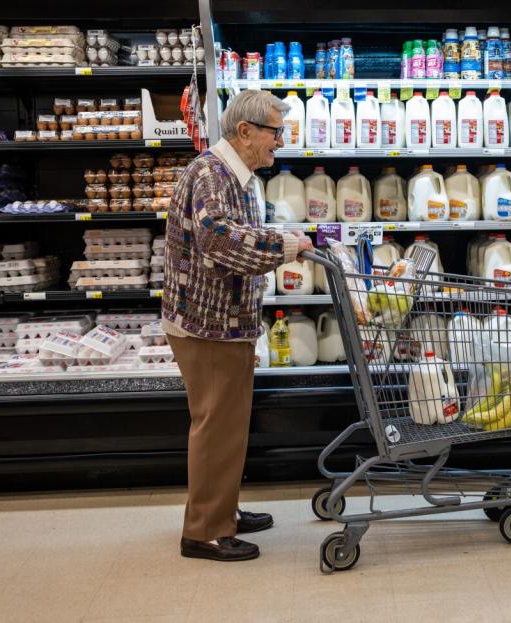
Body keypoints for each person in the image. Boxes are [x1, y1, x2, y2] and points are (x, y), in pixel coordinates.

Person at [163, 90, 313, 561]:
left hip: (227, 321)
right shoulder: (211, 173)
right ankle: (205, 529)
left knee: (228, 424)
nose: (280, 142)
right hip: (206, 323)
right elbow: (219, 241)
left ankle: (222, 508)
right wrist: (285, 245)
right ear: (245, 131)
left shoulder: (238, 174)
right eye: (274, 132)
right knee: (215, 425)